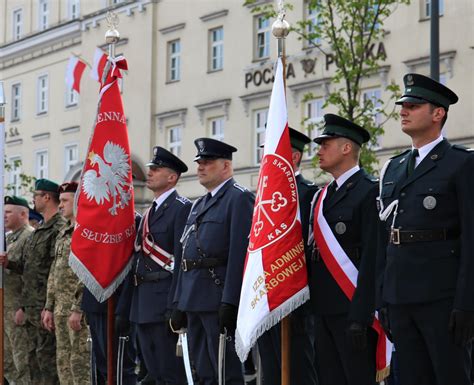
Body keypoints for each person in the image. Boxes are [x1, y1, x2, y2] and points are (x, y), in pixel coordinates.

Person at [376, 73, 474, 385]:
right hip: (400, 296)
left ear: (438, 113)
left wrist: (466, 302)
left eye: (414, 105)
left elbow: (472, 240)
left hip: (441, 298)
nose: (403, 110)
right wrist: (384, 299)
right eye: (403, 104)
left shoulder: (460, 164)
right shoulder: (394, 167)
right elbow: (386, 238)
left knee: (450, 376)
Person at [172, 138, 255, 385]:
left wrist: (230, 301)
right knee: (203, 371)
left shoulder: (238, 199)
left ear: (226, 167)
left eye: (207, 162)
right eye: (199, 162)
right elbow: (185, 253)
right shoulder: (199, 204)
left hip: (217, 297)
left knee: (225, 372)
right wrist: (178, 301)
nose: (200, 167)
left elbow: (239, 254)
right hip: (193, 298)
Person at [309, 114, 379, 385]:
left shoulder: (369, 191)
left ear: (347, 148)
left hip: (352, 310)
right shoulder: (322, 195)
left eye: (326, 144)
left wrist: (361, 316)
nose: (319, 151)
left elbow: (372, 258)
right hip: (323, 309)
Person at [118, 146, 191, 385]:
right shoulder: (149, 212)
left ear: (172, 177)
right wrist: (126, 307)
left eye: (156, 169)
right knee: (152, 372)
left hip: (163, 301)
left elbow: (180, 261)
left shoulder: (181, 208)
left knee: (170, 373)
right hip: (142, 303)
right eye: (150, 168)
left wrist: (177, 304)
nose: (150, 173)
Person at [257, 127, 319, 385]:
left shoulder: (309, 193)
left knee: (298, 371)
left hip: (294, 298)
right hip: (265, 296)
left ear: (293, 158)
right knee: (270, 372)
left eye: (272, 153)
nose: (265, 159)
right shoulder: (262, 195)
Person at [0, 178, 65, 385]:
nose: (33, 200)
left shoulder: (58, 229)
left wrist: (48, 306)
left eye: (36, 196)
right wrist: (10, 263)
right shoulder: (40, 231)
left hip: (44, 308)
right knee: (32, 362)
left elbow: (54, 272)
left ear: (47, 197)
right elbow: (30, 269)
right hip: (31, 307)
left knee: (47, 365)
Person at [42, 182, 90, 385]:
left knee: (80, 367)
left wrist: (78, 308)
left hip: (75, 310)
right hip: (60, 310)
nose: (60, 205)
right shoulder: (64, 233)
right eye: (59, 201)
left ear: (78, 201)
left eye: (64, 201)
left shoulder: (86, 232)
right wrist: (48, 306)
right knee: (63, 365)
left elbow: (86, 275)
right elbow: (54, 273)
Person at [2, 196, 34, 385]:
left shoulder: (28, 237)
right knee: (6, 361)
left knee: (22, 361)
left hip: (17, 309)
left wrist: (24, 306)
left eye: (8, 212)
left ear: (23, 214)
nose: (3, 216)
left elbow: (31, 275)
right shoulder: (8, 238)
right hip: (6, 307)